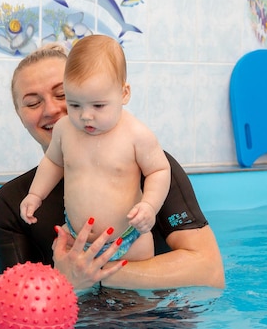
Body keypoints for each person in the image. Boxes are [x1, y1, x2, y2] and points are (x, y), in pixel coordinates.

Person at [0, 40, 225, 290]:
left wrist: (90, 276)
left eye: (62, 95)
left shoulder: (146, 165)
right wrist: (66, 281)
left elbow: (209, 272)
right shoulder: (11, 204)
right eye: (33, 103)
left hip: (153, 321)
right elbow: (15, 303)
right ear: (19, 114)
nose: (52, 109)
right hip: (73, 325)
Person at [19, 35, 170, 264]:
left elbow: (159, 171)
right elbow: (53, 163)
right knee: (73, 284)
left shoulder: (136, 135)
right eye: (74, 104)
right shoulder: (65, 129)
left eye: (98, 105)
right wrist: (35, 194)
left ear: (123, 93)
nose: (85, 115)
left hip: (128, 238)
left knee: (137, 295)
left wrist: (149, 205)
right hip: (76, 237)